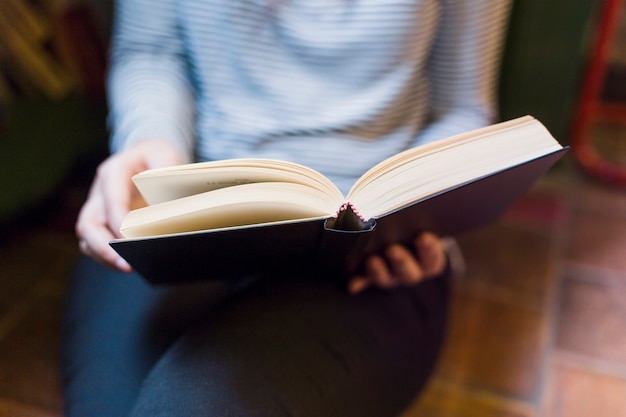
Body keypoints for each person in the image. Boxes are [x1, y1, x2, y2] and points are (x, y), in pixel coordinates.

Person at [63, 1, 512, 416]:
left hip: (367, 253)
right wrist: (150, 146)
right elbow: (150, 51)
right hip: (192, 215)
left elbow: (463, 105)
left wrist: (412, 203)